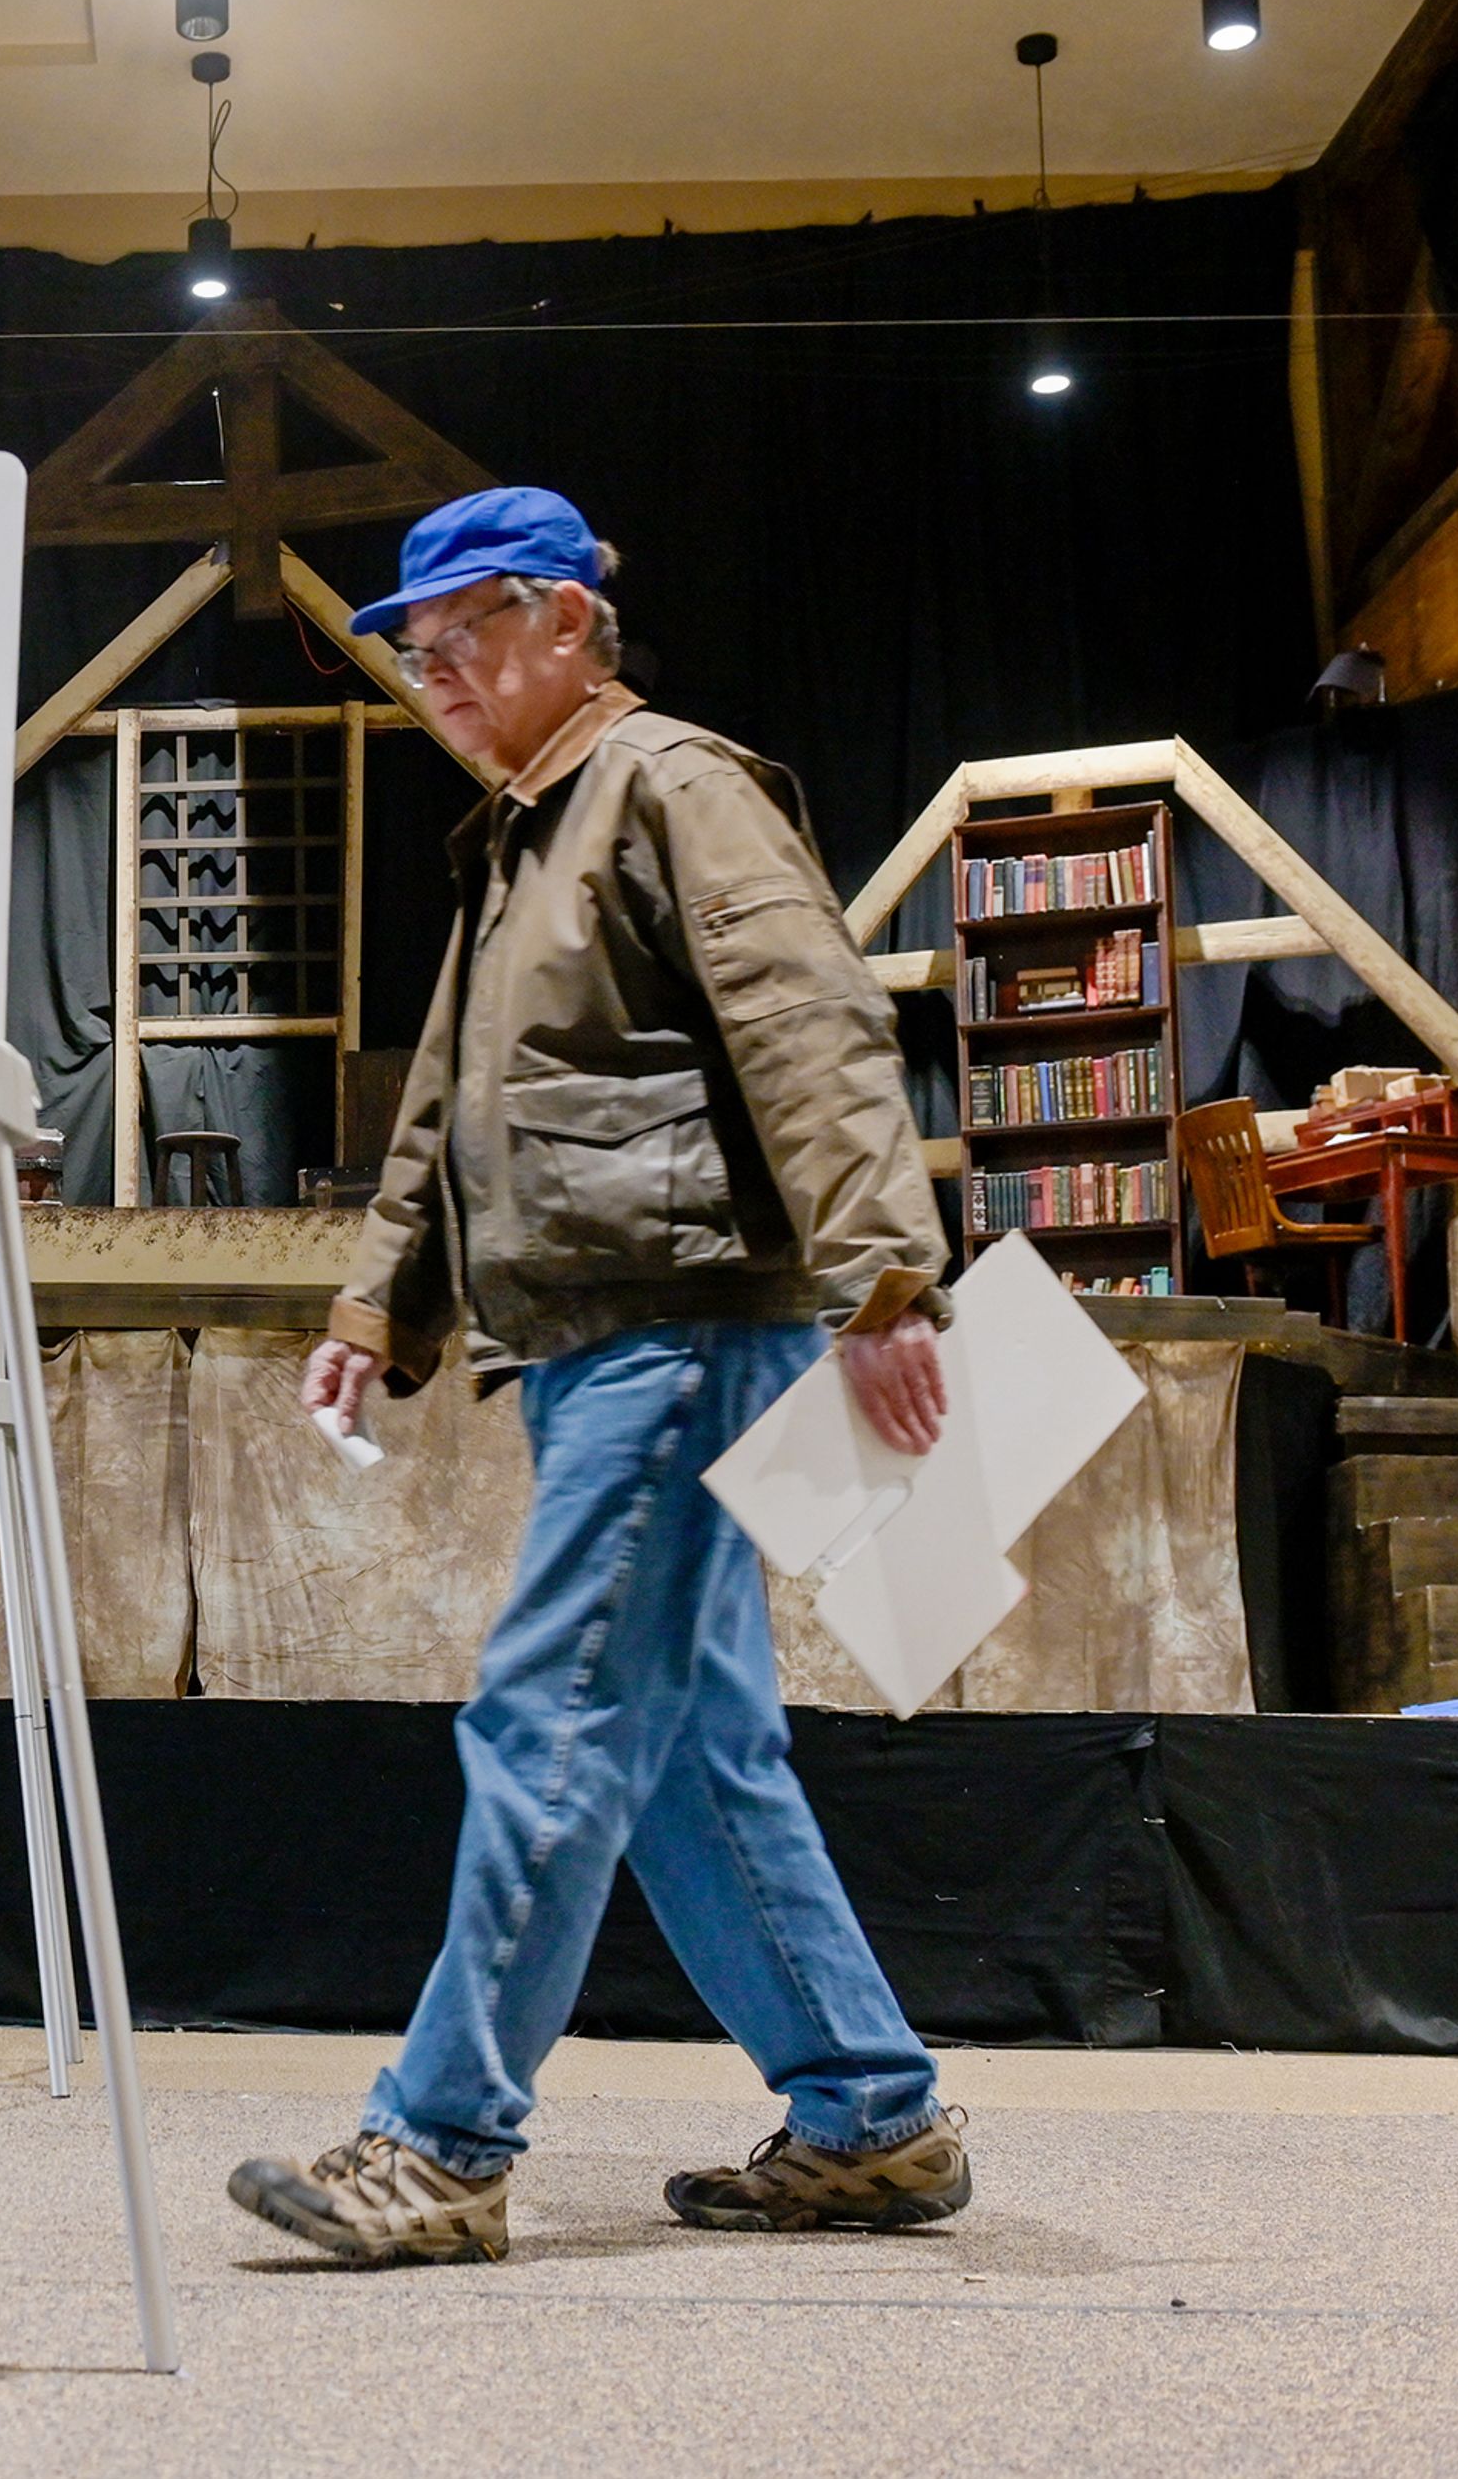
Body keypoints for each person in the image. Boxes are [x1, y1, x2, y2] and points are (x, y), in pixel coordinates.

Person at [227, 489, 965, 2263]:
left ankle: (442, 2142)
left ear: (570, 621)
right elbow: (444, 1111)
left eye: (468, 630)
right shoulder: (520, 830)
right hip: (594, 1337)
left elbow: (811, 1022)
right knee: (700, 1752)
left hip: (681, 1323)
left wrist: (884, 1275)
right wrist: (372, 1302)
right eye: (418, 644)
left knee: (551, 1714)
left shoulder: (674, 785)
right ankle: (871, 2115)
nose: (438, 668)